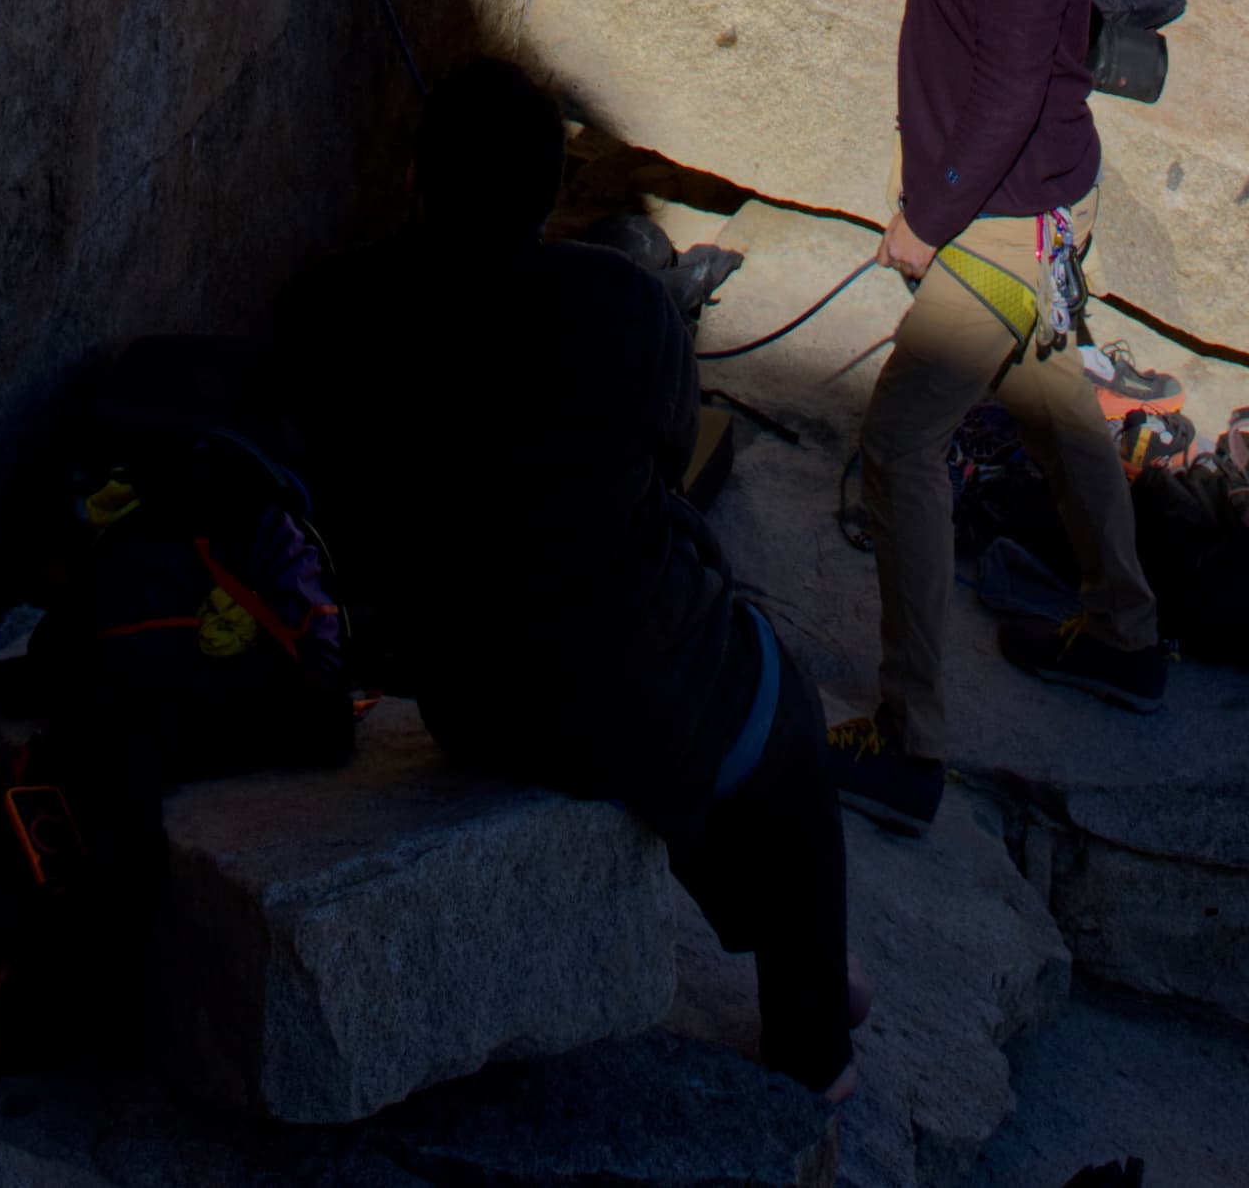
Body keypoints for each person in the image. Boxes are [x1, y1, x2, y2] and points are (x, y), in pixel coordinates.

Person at [280, 56, 856, 1092]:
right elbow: (673, 453)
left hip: (470, 694)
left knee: (686, 711)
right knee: (783, 723)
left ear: (415, 178)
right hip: (619, 685)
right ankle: (814, 1036)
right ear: (552, 194)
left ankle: (785, 936)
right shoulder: (621, 304)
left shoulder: (338, 308)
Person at [832, 0, 1170, 836]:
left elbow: (1015, 85)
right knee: (1055, 405)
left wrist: (928, 217)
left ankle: (908, 741)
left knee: (900, 446)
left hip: (997, 227)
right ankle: (1125, 635)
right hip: (1027, 212)